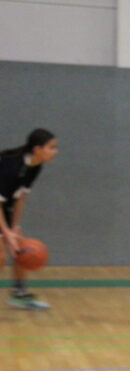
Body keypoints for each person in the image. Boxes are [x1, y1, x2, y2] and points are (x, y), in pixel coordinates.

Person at [0, 129, 59, 310]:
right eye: (51, 147)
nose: (55, 151)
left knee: (20, 246)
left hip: (5, 204)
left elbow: (20, 197)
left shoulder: (35, 166)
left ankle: (19, 294)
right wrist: (6, 231)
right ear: (37, 149)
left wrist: (14, 227)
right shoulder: (12, 166)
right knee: (0, 256)